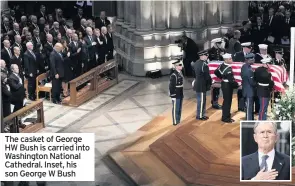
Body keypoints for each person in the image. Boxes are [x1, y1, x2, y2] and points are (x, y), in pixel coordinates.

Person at [214, 53, 239, 123]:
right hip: (227, 85)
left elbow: (216, 71)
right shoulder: (228, 70)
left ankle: (225, 116)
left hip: (224, 84)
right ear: (226, 60)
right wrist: (237, 85)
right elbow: (232, 81)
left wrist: (222, 77)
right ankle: (226, 118)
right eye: (230, 59)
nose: (232, 60)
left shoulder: (222, 65)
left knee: (226, 101)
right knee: (227, 102)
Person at [192, 50, 212, 120]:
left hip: (197, 83)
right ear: (203, 56)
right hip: (202, 85)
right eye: (206, 55)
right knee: (201, 101)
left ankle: (201, 114)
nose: (207, 57)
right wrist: (210, 82)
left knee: (200, 100)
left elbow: (194, 74)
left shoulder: (196, 63)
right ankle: (200, 115)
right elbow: (207, 76)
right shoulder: (204, 64)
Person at [234, 42, 253, 112]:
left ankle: (246, 105)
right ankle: (240, 107)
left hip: (248, 77)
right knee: (240, 92)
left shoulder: (251, 55)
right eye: (249, 48)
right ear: (244, 48)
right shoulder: (238, 55)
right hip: (239, 76)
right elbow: (235, 65)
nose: (250, 49)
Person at [208, 37, 225, 109]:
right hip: (213, 73)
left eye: (220, 43)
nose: (220, 44)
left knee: (218, 87)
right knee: (214, 87)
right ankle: (214, 102)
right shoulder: (209, 51)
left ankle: (216, 101)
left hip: (220, 72)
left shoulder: (222, 50)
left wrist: (222, 55)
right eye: (219, 43)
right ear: (215, 44)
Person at [241, 53, 256, 120]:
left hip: (245, 89)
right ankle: (248, 121)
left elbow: (241, 76)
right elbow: (252, 83)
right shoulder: (249, 70)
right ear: (248, 60)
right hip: (249, 91)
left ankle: (251, 120)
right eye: (252, 59)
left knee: (249, 107)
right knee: (249, 108)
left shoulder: (244, 66)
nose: (254, 60)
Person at [169, 60, 184, 126]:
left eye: (181, 65)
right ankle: (175, 122)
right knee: (175, 109)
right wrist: (173, 96)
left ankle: (178, 121)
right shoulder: (174, 75)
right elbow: (171, 86)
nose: (181, 66)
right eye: (180, 65)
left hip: (180, 93)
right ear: (176, 66)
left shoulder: (180, 73)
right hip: (176, 94)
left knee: (179, 108)